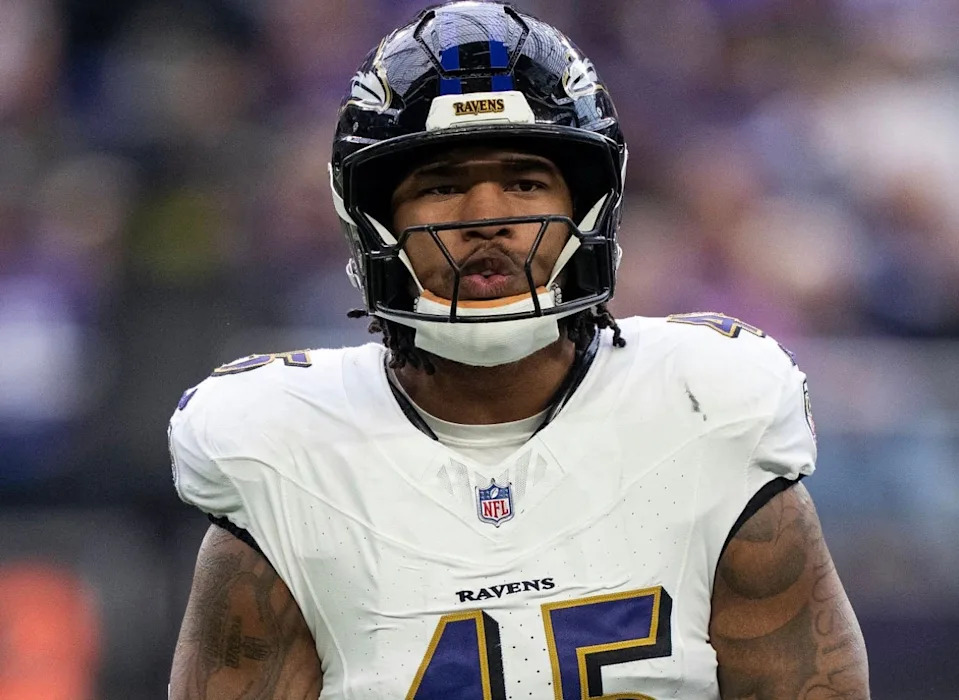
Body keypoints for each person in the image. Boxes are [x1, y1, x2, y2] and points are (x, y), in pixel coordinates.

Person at [168, 2, 870, 698]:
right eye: (441, 186)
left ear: (587, 207)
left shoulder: (705, 405)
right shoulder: (284, 448)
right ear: (375, 222)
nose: (486, 219)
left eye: (524, 182)